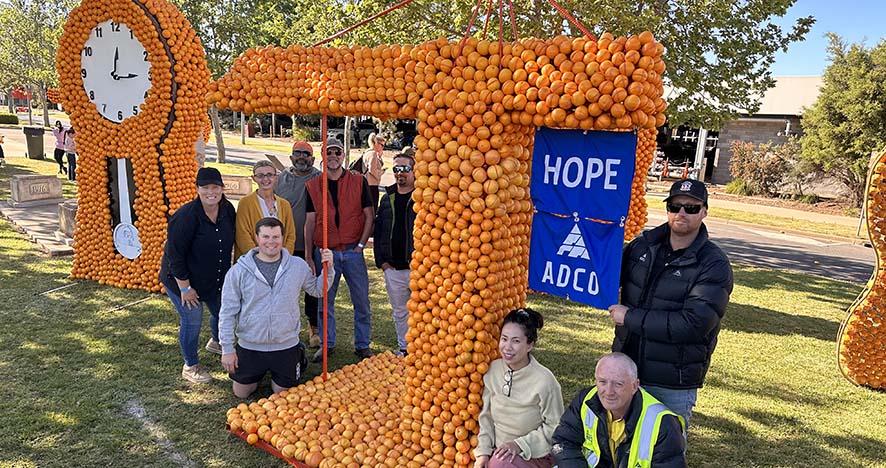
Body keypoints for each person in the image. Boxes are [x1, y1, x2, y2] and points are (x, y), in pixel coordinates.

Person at [607, 179, 733, 426]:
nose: (682, 213)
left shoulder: (713, 264)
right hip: (625, 369)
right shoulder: (643, 246)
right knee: (617, 446)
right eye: (675, 206)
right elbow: (606, 276)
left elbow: (694, 323)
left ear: (704, 211)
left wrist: (629, 317)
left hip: (672, 380)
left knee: (665, 453)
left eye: (692, 208)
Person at [219, 217, 335, 398]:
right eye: (266, 236)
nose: (271, 242)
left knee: (282, 394)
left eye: (275, 237)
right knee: (241, 393)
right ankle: (256, 373)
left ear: (283, 237)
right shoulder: (239, 271)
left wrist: (330, 267)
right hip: (251, 344)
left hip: (285, 344)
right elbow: (227, 312)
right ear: (257, 238)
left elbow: (317, 290)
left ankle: (298, 355)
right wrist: (227, 349)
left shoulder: (297, 266)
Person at [158, 167, 236, 383]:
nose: (211, 192)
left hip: (214, 277)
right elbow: (175, 257)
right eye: (205, 187)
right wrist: (185, 288)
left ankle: (216, 342)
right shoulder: (185, 217)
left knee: (223, 312)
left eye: (215, 187)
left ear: (222, 188)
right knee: (192, 320)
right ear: (197, 189)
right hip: (181, 279)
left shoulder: (227, 209)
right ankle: (190, 365)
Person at [304, 138, 374, 363]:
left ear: (343, 155)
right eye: (328, 152)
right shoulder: (313, 185)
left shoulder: (358, 181)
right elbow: (310, 222)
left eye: (337, 152)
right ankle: (327, 344)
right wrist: (308, 255)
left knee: (361, 300)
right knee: (325, 301)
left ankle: (362, 345)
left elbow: (369, 215)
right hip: (326, 252)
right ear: (323, 155)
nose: (333, 156)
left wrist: (361, 245)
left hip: (353, 251)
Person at [551, 353, 686, 468]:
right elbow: (563, 442)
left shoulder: (663, 423)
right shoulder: (586, 400)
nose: (609, 392)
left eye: (618, 384)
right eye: (602, 382)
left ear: (635, 386)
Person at [474, 308, 564, 468]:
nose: (507, 347)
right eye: (504, 339)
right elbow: (486, 416)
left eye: (516, 341)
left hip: (535, 453)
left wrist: (519, 445)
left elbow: (555, 427)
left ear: (530, 345)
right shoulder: (493, 370)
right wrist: (483, 452)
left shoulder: (545, 381)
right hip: (500, 452)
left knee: (499, 464)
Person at [275, 141, 323, 348]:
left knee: (311, 287)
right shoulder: (280, 179)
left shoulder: (319, 178)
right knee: (284, 287)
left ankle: (314, 328)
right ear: (291, 156)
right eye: (298, 153)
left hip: (310, 243)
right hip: (284, 244)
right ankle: (283, 328)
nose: (302, 157)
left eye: (306, 154)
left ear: (312, 159)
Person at [373, 153, 416, 356]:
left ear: (414, 171)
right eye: (396, 169)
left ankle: (422, 350)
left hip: (418, 268)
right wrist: (381, 262)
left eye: (405, 169)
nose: (400, 173)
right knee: (400, 312)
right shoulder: (387, 197)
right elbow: (379, 229)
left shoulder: (422, 198)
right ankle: (404, 348)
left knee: (422, 313)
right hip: (393, 267)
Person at [234, 160, 295, 260]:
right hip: (252, 262)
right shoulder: (245, 203)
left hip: (281, 263)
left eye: (270, 175)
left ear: (276, 178)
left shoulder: (285, 205)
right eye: (260, 175)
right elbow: (242, 236)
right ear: (254, 178)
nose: (265, 179)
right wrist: (261, 259)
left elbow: (290, 236)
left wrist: (283, 258)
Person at [361, 132, 386, 209]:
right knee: (372, 208)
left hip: (366, 184)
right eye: (382, 145)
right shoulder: (373, 154)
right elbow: (372, 170)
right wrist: (382, 172)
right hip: (372, 186)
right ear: (376, 143)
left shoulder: (367, 152)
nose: (383, 147)